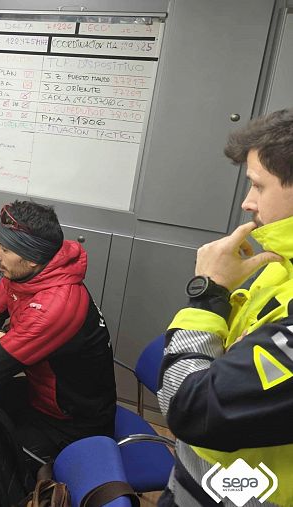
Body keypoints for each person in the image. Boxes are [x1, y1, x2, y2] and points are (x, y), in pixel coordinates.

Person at [157, 109, 293, 506]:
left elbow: (191, 407)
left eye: (258, 186)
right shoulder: (277, 267)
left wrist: (207, 294)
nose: (247, 203)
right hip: (196, 484)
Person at [0, 200, 116, 472]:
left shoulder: (55, 305)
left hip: (70, 425)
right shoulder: (27, 274)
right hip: (39, 396)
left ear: (32, 258)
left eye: (5, 248)